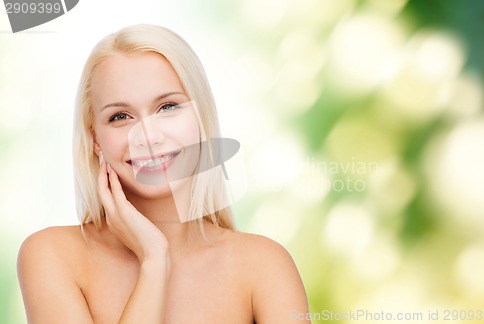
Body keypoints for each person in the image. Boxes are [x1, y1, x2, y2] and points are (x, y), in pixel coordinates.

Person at [17, 24, 310, 323]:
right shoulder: (51, 255)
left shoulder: (264, 265)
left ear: (200, 116)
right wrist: (154, 261)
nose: (148, 136)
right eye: (120, 116)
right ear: (95, 139)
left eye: (168, 107)